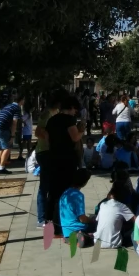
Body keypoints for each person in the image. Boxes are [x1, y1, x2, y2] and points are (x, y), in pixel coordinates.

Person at [46, 94, 85, 234]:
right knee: (65, 191)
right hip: (66, 158)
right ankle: (62, 223)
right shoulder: (69, 120)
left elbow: (48, 138)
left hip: (53, 157)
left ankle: (49, 222)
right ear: (72, 107)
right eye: (75, 110)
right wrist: (81, 130)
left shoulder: (51, 120)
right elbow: (75, 137)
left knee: (53, 191)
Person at [35, 93, 61, 227]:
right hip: (44, 152)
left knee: (50, 185)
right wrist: (49, 139)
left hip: (49, 152)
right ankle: (41, 218)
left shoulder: (54, 114)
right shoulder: (47, 115)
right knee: (44, 186)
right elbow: (38, 131)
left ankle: (48, 215)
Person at [94, 182, 135, 248]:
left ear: (109, 195)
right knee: (133, 231)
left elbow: (97, 220)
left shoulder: (103, 204)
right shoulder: (121, 206)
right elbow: (136, 220)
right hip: (115, 244)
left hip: (98, 242)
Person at [59, 168, 96, 239]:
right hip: (76, 229)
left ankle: (70, 238)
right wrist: (92, 220)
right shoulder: (78, 195)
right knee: (97, 225)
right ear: (85, 182)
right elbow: (82, 219)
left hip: (66, 230)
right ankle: (81, 236)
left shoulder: (65, 193)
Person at [0, 93, 24, 174]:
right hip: (3, 129)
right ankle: (1, 168)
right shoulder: (17, 108)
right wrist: (12, 136)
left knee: (1, 148)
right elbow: (14, 122)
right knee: (7, 148)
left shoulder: (8, 106)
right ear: (21, 100)